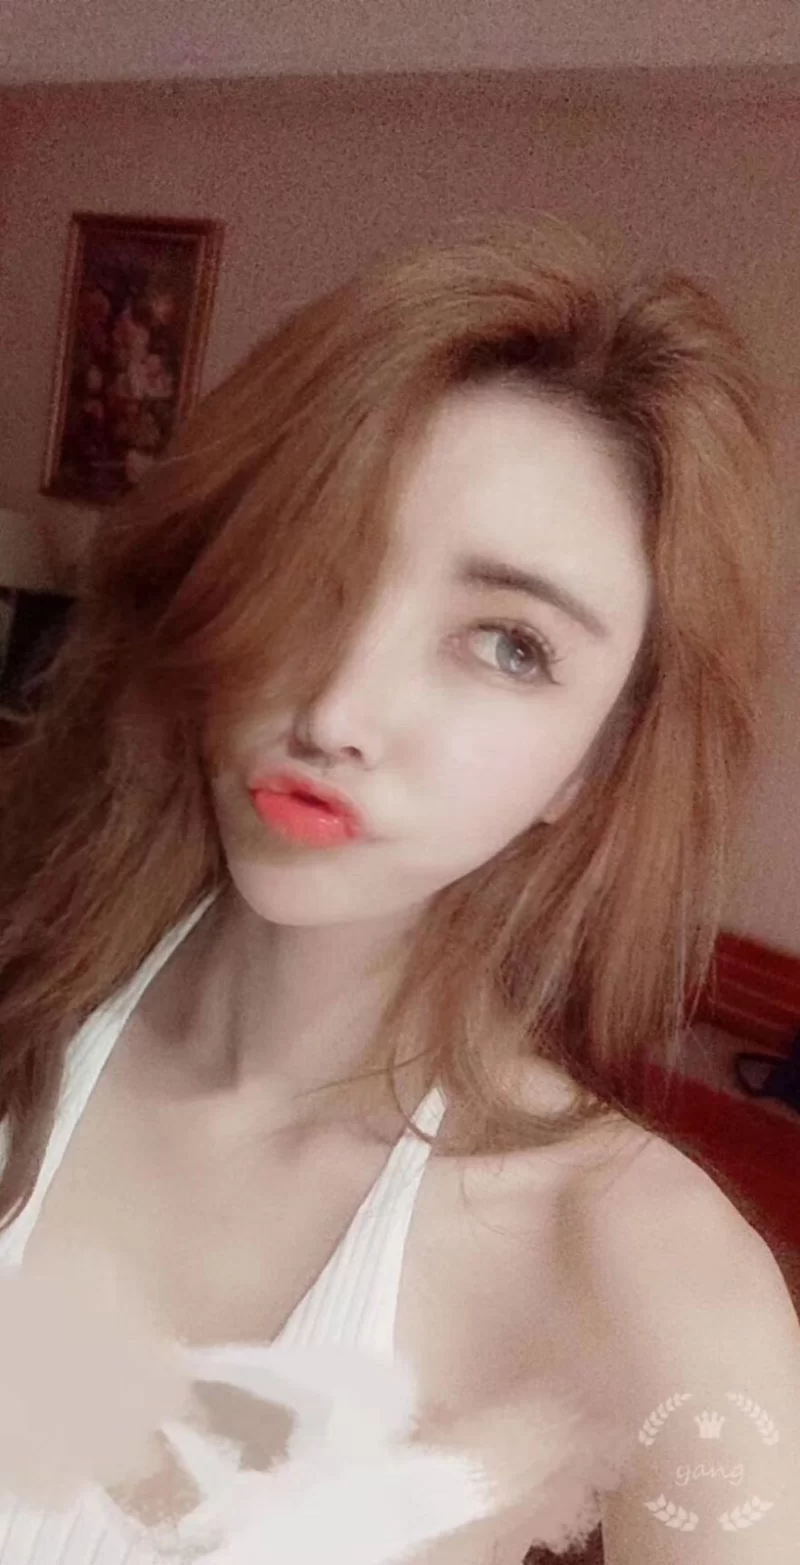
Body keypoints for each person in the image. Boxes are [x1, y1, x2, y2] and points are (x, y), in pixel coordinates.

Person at [0, 220, 799, 1565]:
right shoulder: (27, 995)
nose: (339, 709)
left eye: (509, 644)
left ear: (596, 761)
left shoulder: (644, 1278)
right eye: (318, 566)